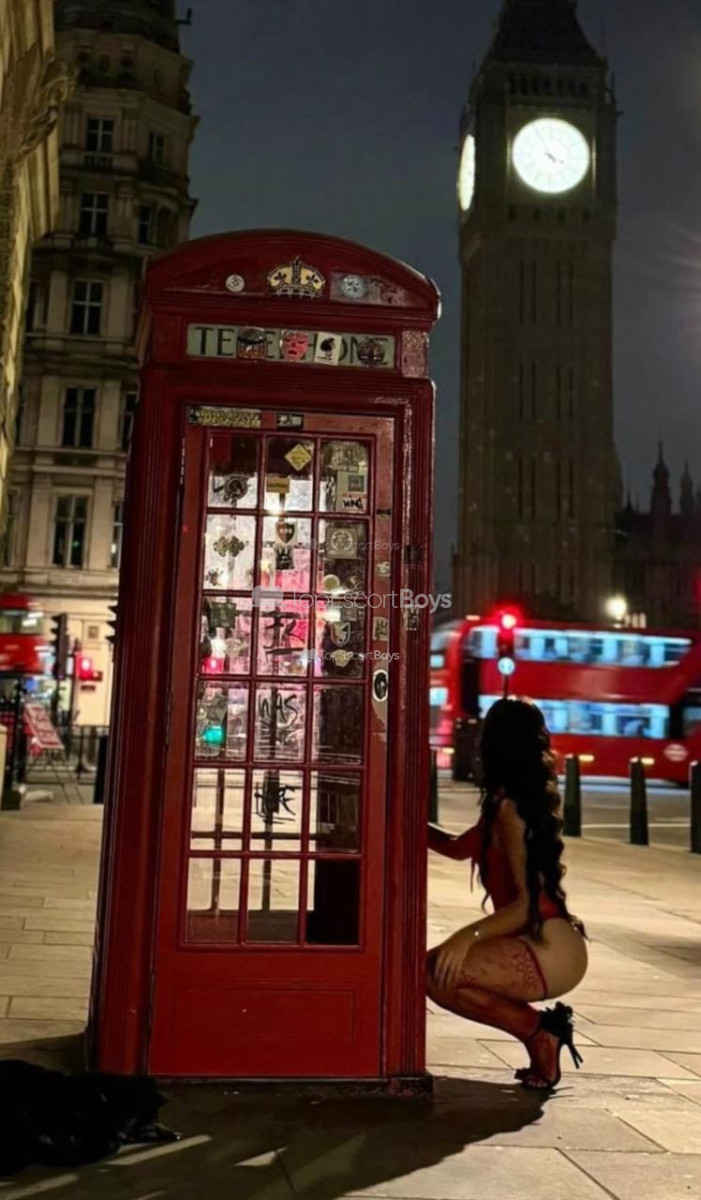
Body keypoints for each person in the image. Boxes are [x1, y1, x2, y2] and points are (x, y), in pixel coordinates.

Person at [427, 697, 588, 1091]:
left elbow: (526, 905)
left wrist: (466, 936)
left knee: (435, 972)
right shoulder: (503, 803)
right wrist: (400, 816)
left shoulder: (511, 812)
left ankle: (539, 1032)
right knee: (433, 972)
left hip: (548, 947)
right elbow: (455, 847)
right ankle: (541, 1039)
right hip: (540, 942)